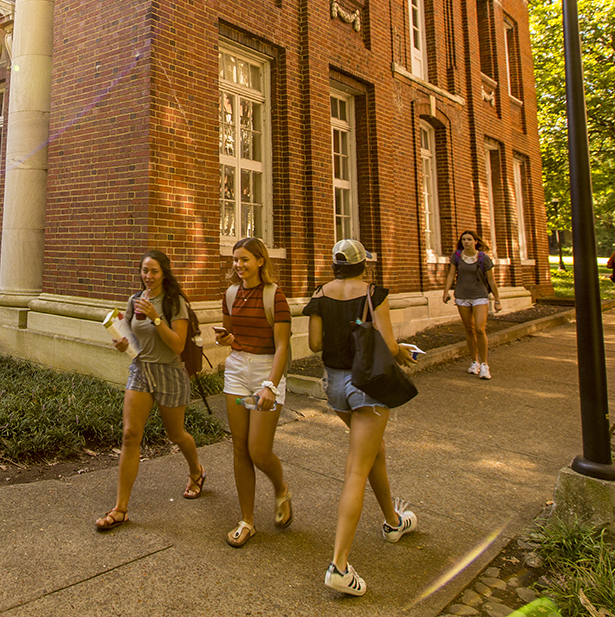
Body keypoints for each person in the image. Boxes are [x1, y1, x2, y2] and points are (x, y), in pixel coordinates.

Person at [304, 240, 418, 597]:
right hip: (367, 386)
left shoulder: (320, 293)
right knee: (357, 467)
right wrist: (405, 353)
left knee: (372, 452)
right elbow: (386, 342)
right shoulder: (373, 293)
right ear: (363, 266)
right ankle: (339, 565)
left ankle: (393, 521)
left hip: (334, 387)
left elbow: (314, 343)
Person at [94, 250, 206, 531]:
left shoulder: (174, 303)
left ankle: (196, 470)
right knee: (130, 435)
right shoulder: (134, 300)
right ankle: (120, 508)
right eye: (144, 270)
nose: (148, 276)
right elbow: (131, 338)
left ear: (164, 273)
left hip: (169, 373)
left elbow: (178, 345)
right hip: (141, 371)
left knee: (175, 434)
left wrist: (156, 318)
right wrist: (121, 343)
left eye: (154, 271)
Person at [215, 236, 292, 548]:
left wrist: (271, 386)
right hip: (236, 371)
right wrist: (227, 339)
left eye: (244, 259)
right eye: (235, 260)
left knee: (259, 451)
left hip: (265, 373)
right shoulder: (231, 293)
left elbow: (283, 346)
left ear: (261, 261)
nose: (238, 265)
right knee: (239, 447)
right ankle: (247, 520)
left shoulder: (276, 296)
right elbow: (232, 334)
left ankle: (281, 488)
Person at [440, 231, 501, 380]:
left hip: (479, 296)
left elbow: (491, 280)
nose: (466, 242)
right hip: (462, 296)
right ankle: (475, 362)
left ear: (475, 241)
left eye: (469, 239)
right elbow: (451, 274)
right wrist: (446, 291)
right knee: (469, 329)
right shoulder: (457, 256)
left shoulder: (483, 258)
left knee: (480, 329)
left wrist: (497, 299)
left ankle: (485, 365)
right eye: (463, 240)